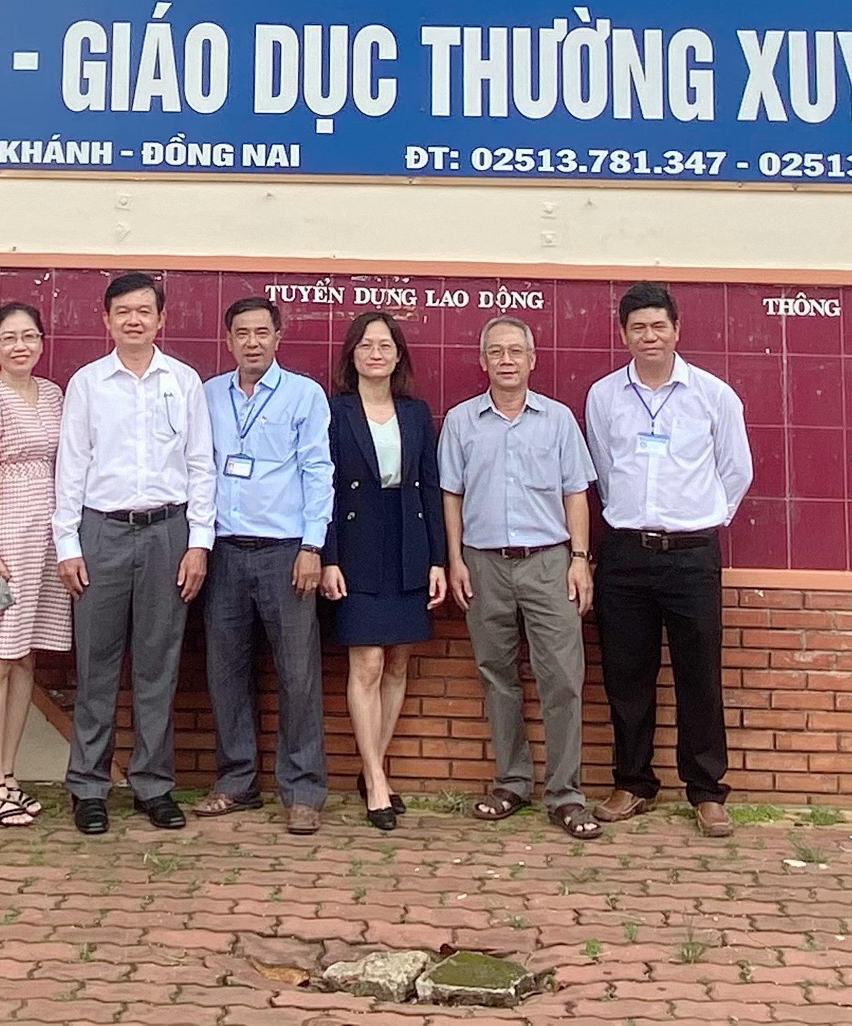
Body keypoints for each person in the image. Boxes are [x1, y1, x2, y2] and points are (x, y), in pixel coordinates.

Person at [584, 282, 753, 837]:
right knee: (626, 676)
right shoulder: (604, 396)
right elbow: (604, 468)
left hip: (691, 556)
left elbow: (736, 469)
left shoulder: (713, 395)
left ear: (677, 330)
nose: (649, 336)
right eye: (638, 327)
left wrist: (703, 517)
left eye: (659, 325)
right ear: (624, 335)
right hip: (625, 555)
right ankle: (633, 783)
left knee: (699, 675)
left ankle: (706, 791)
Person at [55, 271, 215, 835]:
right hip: (101, 533)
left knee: (157, 666)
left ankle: (153, 784)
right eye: (122, 311)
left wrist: (199, 543)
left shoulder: (184, 381)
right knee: (95, 667)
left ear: (160, 318)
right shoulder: (88, 384)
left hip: (167, 533)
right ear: (106, 319)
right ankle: (88, 787)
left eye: (144, 310)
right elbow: (71, 465)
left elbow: (201, 466)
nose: (133, 320)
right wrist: (68, 544)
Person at [440, 314, 602, 840]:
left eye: (515, 351)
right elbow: (451, 494)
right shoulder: (462, 422)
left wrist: (580, 558)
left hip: (549, 563)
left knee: (563, 678)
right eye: (496, 351)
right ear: (482, 360)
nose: (506, 360)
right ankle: (511, 782)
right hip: (483, 563)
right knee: (496, 673)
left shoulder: (558, 420)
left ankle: (565, 794)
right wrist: (455, 559)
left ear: (532, 359)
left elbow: (576, 492)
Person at [193, 297, 332, 834]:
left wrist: (312, 546)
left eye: (261, 332)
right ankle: (237, 782)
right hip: (224, 550)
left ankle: (303, 791)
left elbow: (318, 470)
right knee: (226, 671)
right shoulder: (208, 395)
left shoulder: (304, 394)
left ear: (278, 337)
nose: (252, 342)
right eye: (242, 333)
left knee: (298, 674)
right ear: (228, 340)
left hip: (285, 551)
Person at [319, 312, 447, 831]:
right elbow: (321, 487)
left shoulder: (415, 414)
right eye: (366, 345)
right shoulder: (334, 412)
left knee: (397, 662)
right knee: (368, 662)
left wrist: (438, 559)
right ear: (352, 355)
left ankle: (374, 764)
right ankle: (375, 780)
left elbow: (431, 487)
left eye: (385, 345)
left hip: (407, 540)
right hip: (356, 544)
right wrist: (327, 556)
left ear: (398, 356)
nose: (376, 353)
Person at [0, 301, 67, 827]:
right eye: (9, 338)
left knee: (25, 657)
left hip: (46, 538)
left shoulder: (54, 394)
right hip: (3, 536)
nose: (20, 346)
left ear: (42, 342)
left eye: (29, 336)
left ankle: (6, 773)